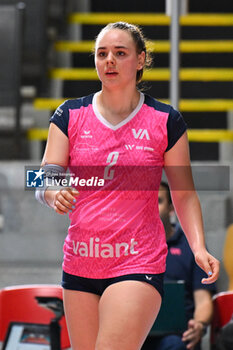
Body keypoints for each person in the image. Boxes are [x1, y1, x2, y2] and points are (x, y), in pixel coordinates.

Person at [35, 22, 219, 350]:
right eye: (102, 53)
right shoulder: (69, 114)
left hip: (137, 261)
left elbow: (184, 193)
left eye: (120, 53)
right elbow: (40, 176)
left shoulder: (165, 120)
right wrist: (52, 191)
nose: (109, 61)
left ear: (140, 60)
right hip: (80, 262)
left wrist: (199, 246)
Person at [142, 181, 216, 350]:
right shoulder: (126, 246)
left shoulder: (191, 247)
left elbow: (203, 300)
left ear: (171, 207)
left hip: (176, 337)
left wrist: (199, 324)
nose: (151, 207)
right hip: (137, 334)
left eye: (158, 201)